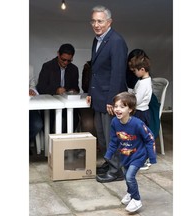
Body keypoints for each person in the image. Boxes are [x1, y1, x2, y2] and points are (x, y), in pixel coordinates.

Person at [86, 5, 128, 183]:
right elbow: (94, 70)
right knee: (102, 134)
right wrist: (90, 92)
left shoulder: (116, 41)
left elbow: (118, 73)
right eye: (94, 21)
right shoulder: (97, 40)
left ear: (109, 22)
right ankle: (109, 161)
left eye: (100, 21)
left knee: (112, 135)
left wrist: (113, 100)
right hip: (98, 96)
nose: (96, 24)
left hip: (110, 98)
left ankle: (117, 170)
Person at [104, 92, 157, 213]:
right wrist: (108, 154)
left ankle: (136, 199)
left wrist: (151, 157)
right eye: (116, 106)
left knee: (129, 176)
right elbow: (114, 140)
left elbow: (150, 138)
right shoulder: (114, 123)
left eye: (122, 107)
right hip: (125, 155)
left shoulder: (137, 124)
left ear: (130, 109)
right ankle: (130, 193)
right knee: (127, 176)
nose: (117, 109)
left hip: (139, 155)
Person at [127, 49, 161, 170]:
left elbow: (137, 100)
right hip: (140, 111)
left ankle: (144, 160)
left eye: (135, 71)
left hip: (140, 113)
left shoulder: (144, 84)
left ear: (142, 70)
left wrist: (128, 104)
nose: (134, 73)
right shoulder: (143, 81)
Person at [36, 43, 80, 133]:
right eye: (63, 59)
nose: (66, 63)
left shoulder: (74, 69)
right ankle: (51, 143)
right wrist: (56, 90)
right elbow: (40, 88)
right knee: (48, 122)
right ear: (58, 54)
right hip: (49, 105)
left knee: (74, 118)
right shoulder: (47, 66)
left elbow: (77, 88)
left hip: (67, 105)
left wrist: (74, 91)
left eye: (69, 60)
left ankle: (64, 141)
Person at [29, 65, 43, 153]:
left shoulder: (29, 68)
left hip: (28, 106)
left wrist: (31, 90)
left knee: (37, 124)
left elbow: (33, 85)